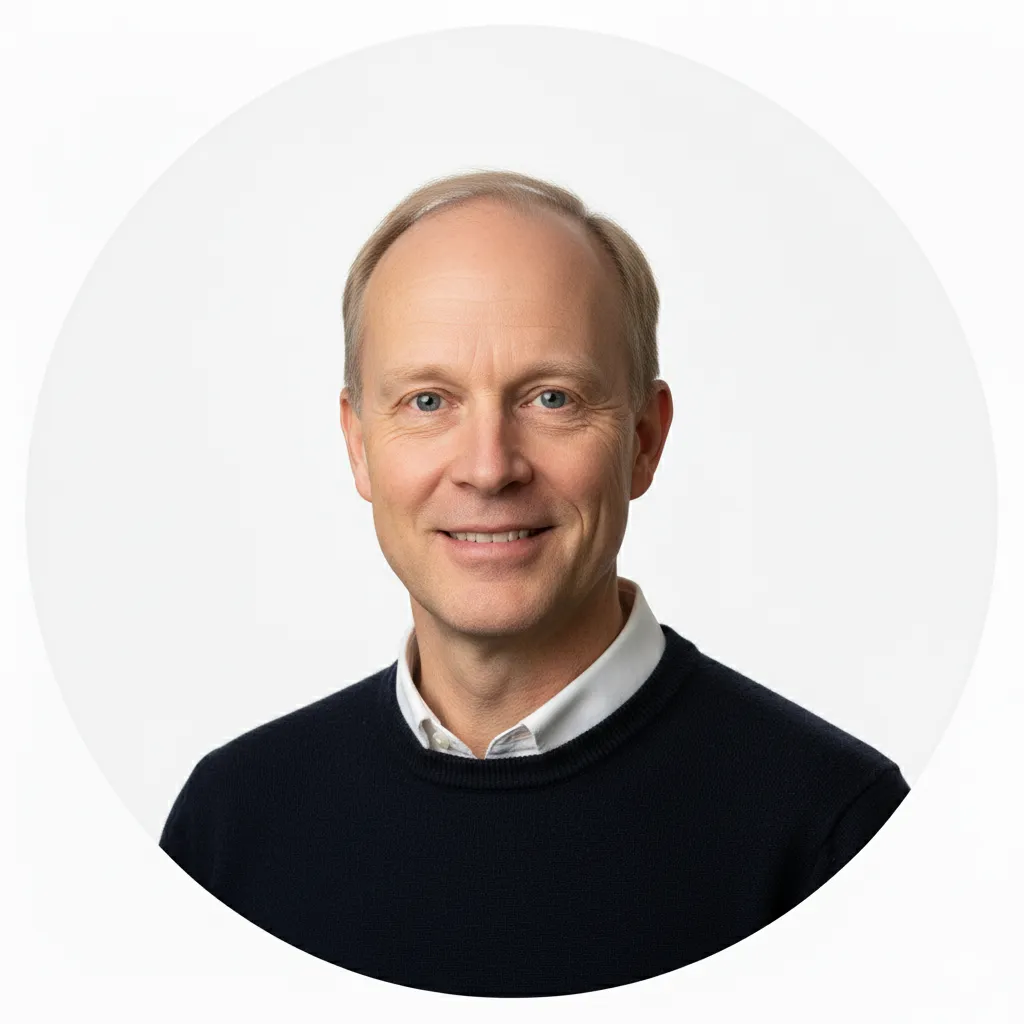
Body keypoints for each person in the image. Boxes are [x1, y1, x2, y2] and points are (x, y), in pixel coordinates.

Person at [159, 169, 909, 996]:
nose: (489, 468)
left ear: (644, 441)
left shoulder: (835, 835)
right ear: (358, 445)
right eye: (428, 401)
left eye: (552, 398)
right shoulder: (231, 827)